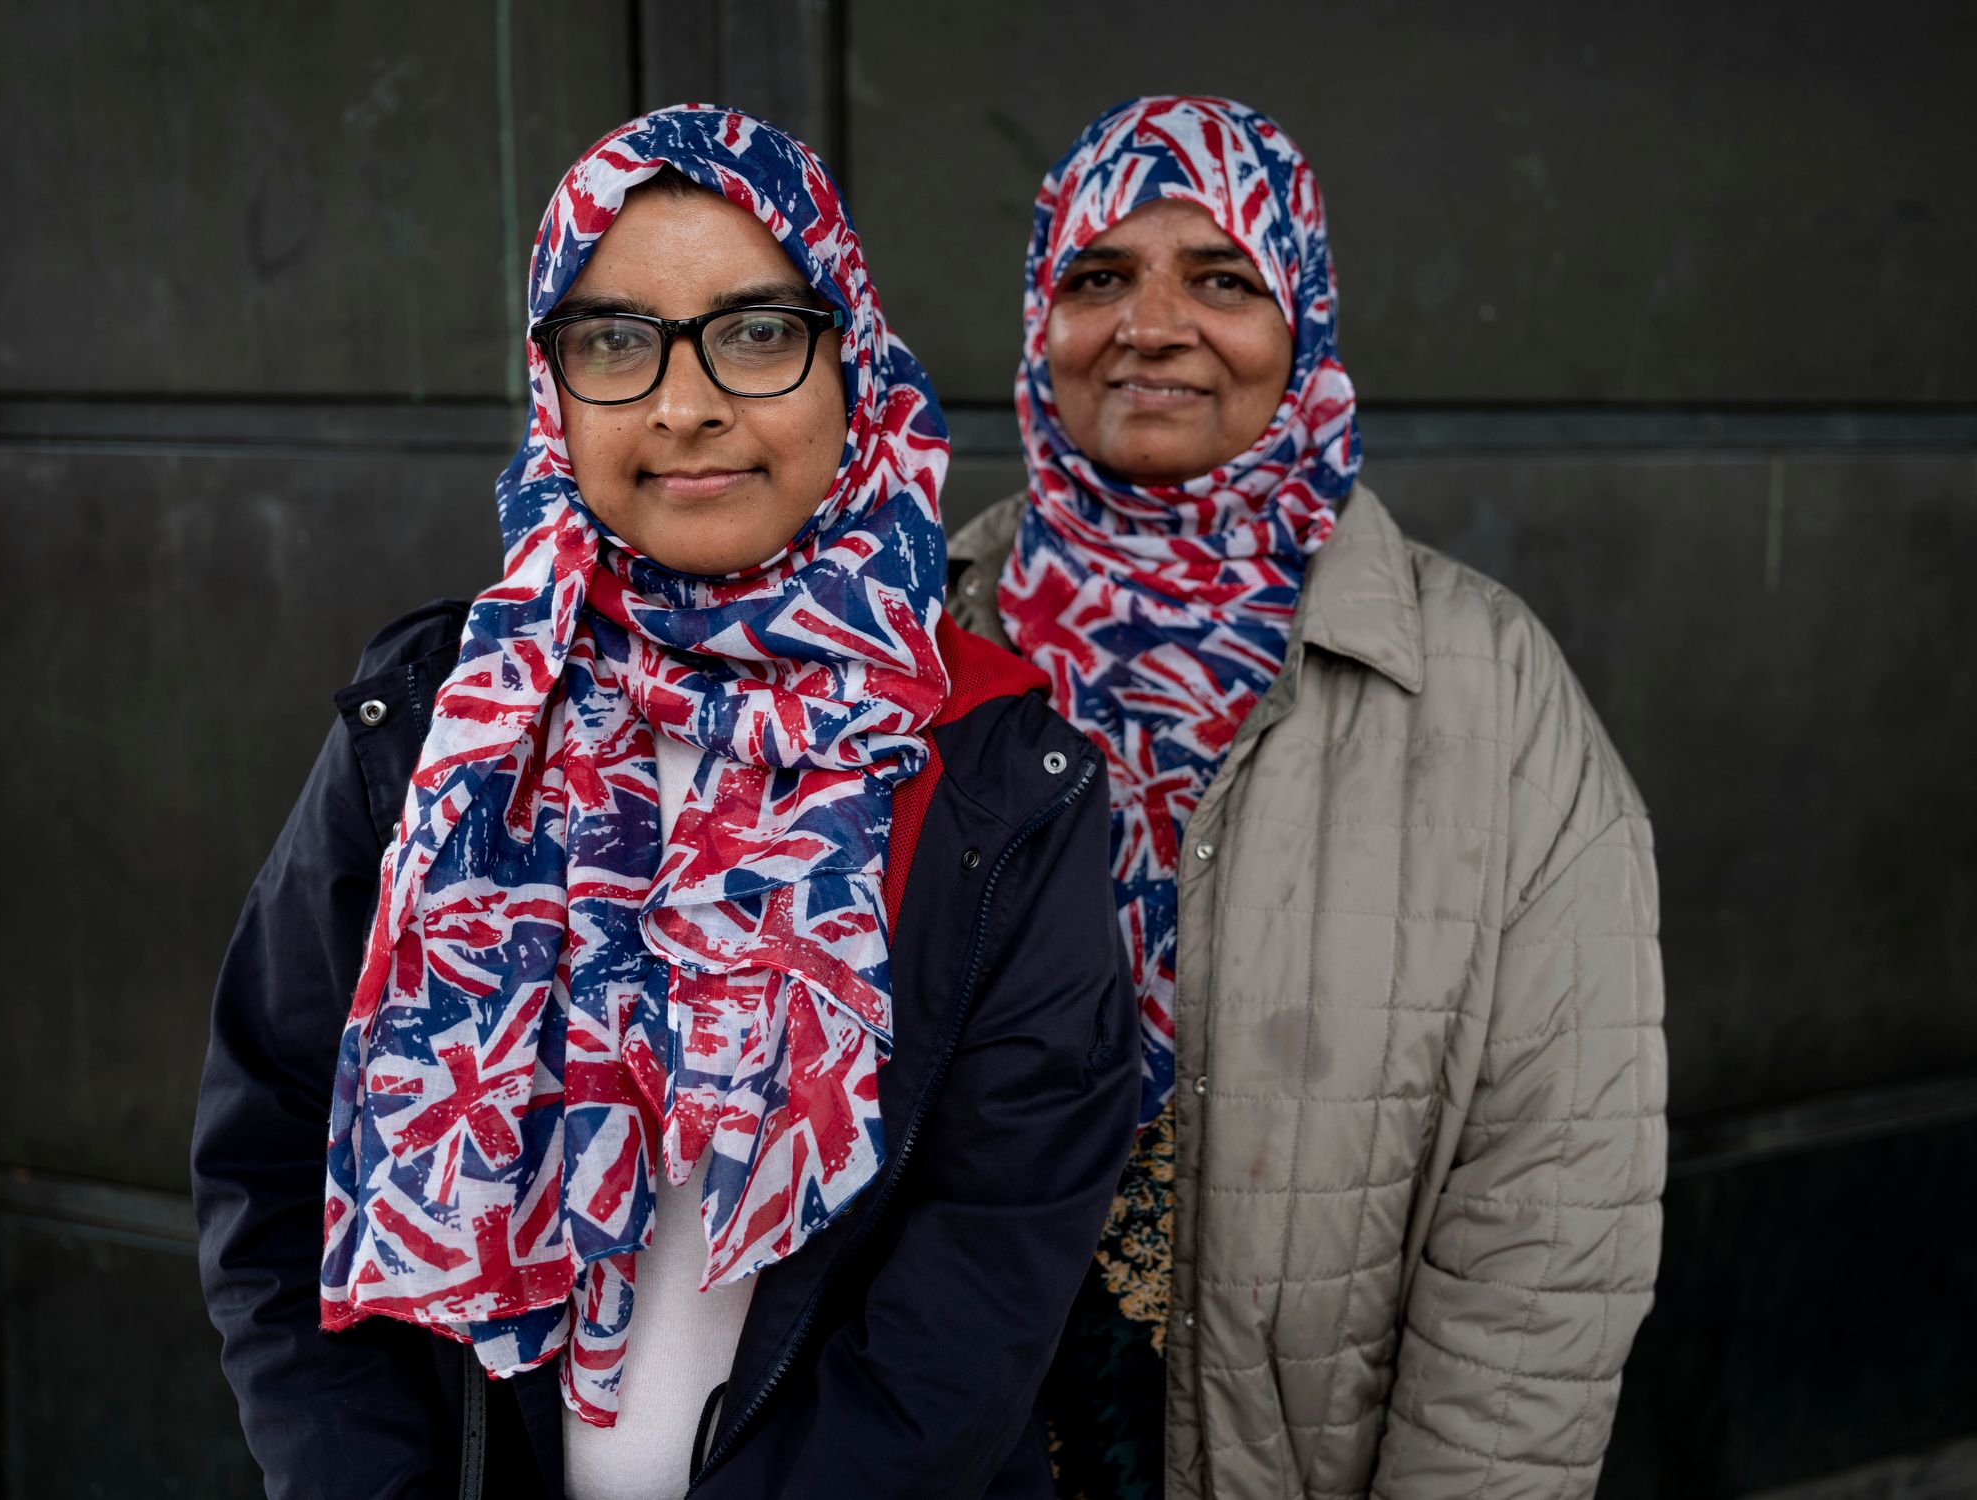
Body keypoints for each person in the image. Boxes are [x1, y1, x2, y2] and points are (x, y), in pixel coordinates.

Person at [193, 105, 1137, 1500]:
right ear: (554, 389)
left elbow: (989, 1270)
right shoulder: (439, 724)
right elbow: (273, 1162)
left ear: (852, 366)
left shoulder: (996, 768)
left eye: (756, 333)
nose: (684, 404)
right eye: (616, 341)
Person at [946, 95, 1667, 1500]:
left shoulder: (1482, 684)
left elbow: (1552, 1211)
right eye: (1099, 277)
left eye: (1222, 278)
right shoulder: (916, 647)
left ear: (1306, 323)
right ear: (1042, 317)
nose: (1151, 325)